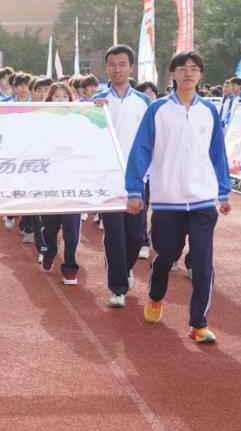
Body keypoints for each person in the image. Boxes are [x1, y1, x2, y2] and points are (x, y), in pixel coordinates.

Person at [125, 51, 231, 344]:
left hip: (202, 200)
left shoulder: (209, 110)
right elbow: (140, 150)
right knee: (166, 256)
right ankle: (156, 296)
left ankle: (199, 324)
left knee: (203, 262)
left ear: (200, 74)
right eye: (183, 68)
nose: (189, 73)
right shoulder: (158, 109)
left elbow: (218, 153)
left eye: (194, 69)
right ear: (172, 74)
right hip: (167, 199)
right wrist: (134, 190)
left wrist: (223, 191)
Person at [92, 44, 152, 308]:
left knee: (136, 236)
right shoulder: (96, 102)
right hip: (108, 180)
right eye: (112, 64)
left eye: (122, 64)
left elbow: (153, 139)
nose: (117, 69)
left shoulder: (144, 102)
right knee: (114, 234)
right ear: (107, 68)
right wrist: (94, 110)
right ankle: (117, 288)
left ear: (131, 68)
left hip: (137, 179)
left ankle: (125, 268)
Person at [34, 82, 83, 284]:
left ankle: (70, 267)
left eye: (64, 96)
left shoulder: (80, 119)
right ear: (50, 98)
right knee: (50, 227)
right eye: (56, 96)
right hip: (50, 184)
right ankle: (49, 251)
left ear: (70, 99)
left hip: (73, 184)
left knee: (72, 228)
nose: (61, 99)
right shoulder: (41, 120)